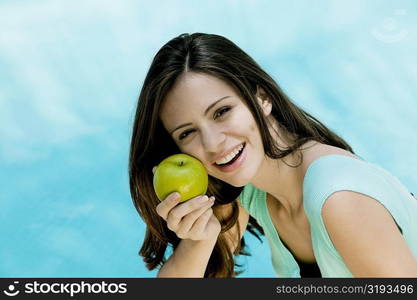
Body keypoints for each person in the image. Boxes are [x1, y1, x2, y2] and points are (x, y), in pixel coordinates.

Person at [128, 32, 417, 278]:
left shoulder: (340, 201)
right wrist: (199, 242)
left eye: (222, 111)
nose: (213, 144)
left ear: (262, 97)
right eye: (187, 133)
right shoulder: (250, 189)